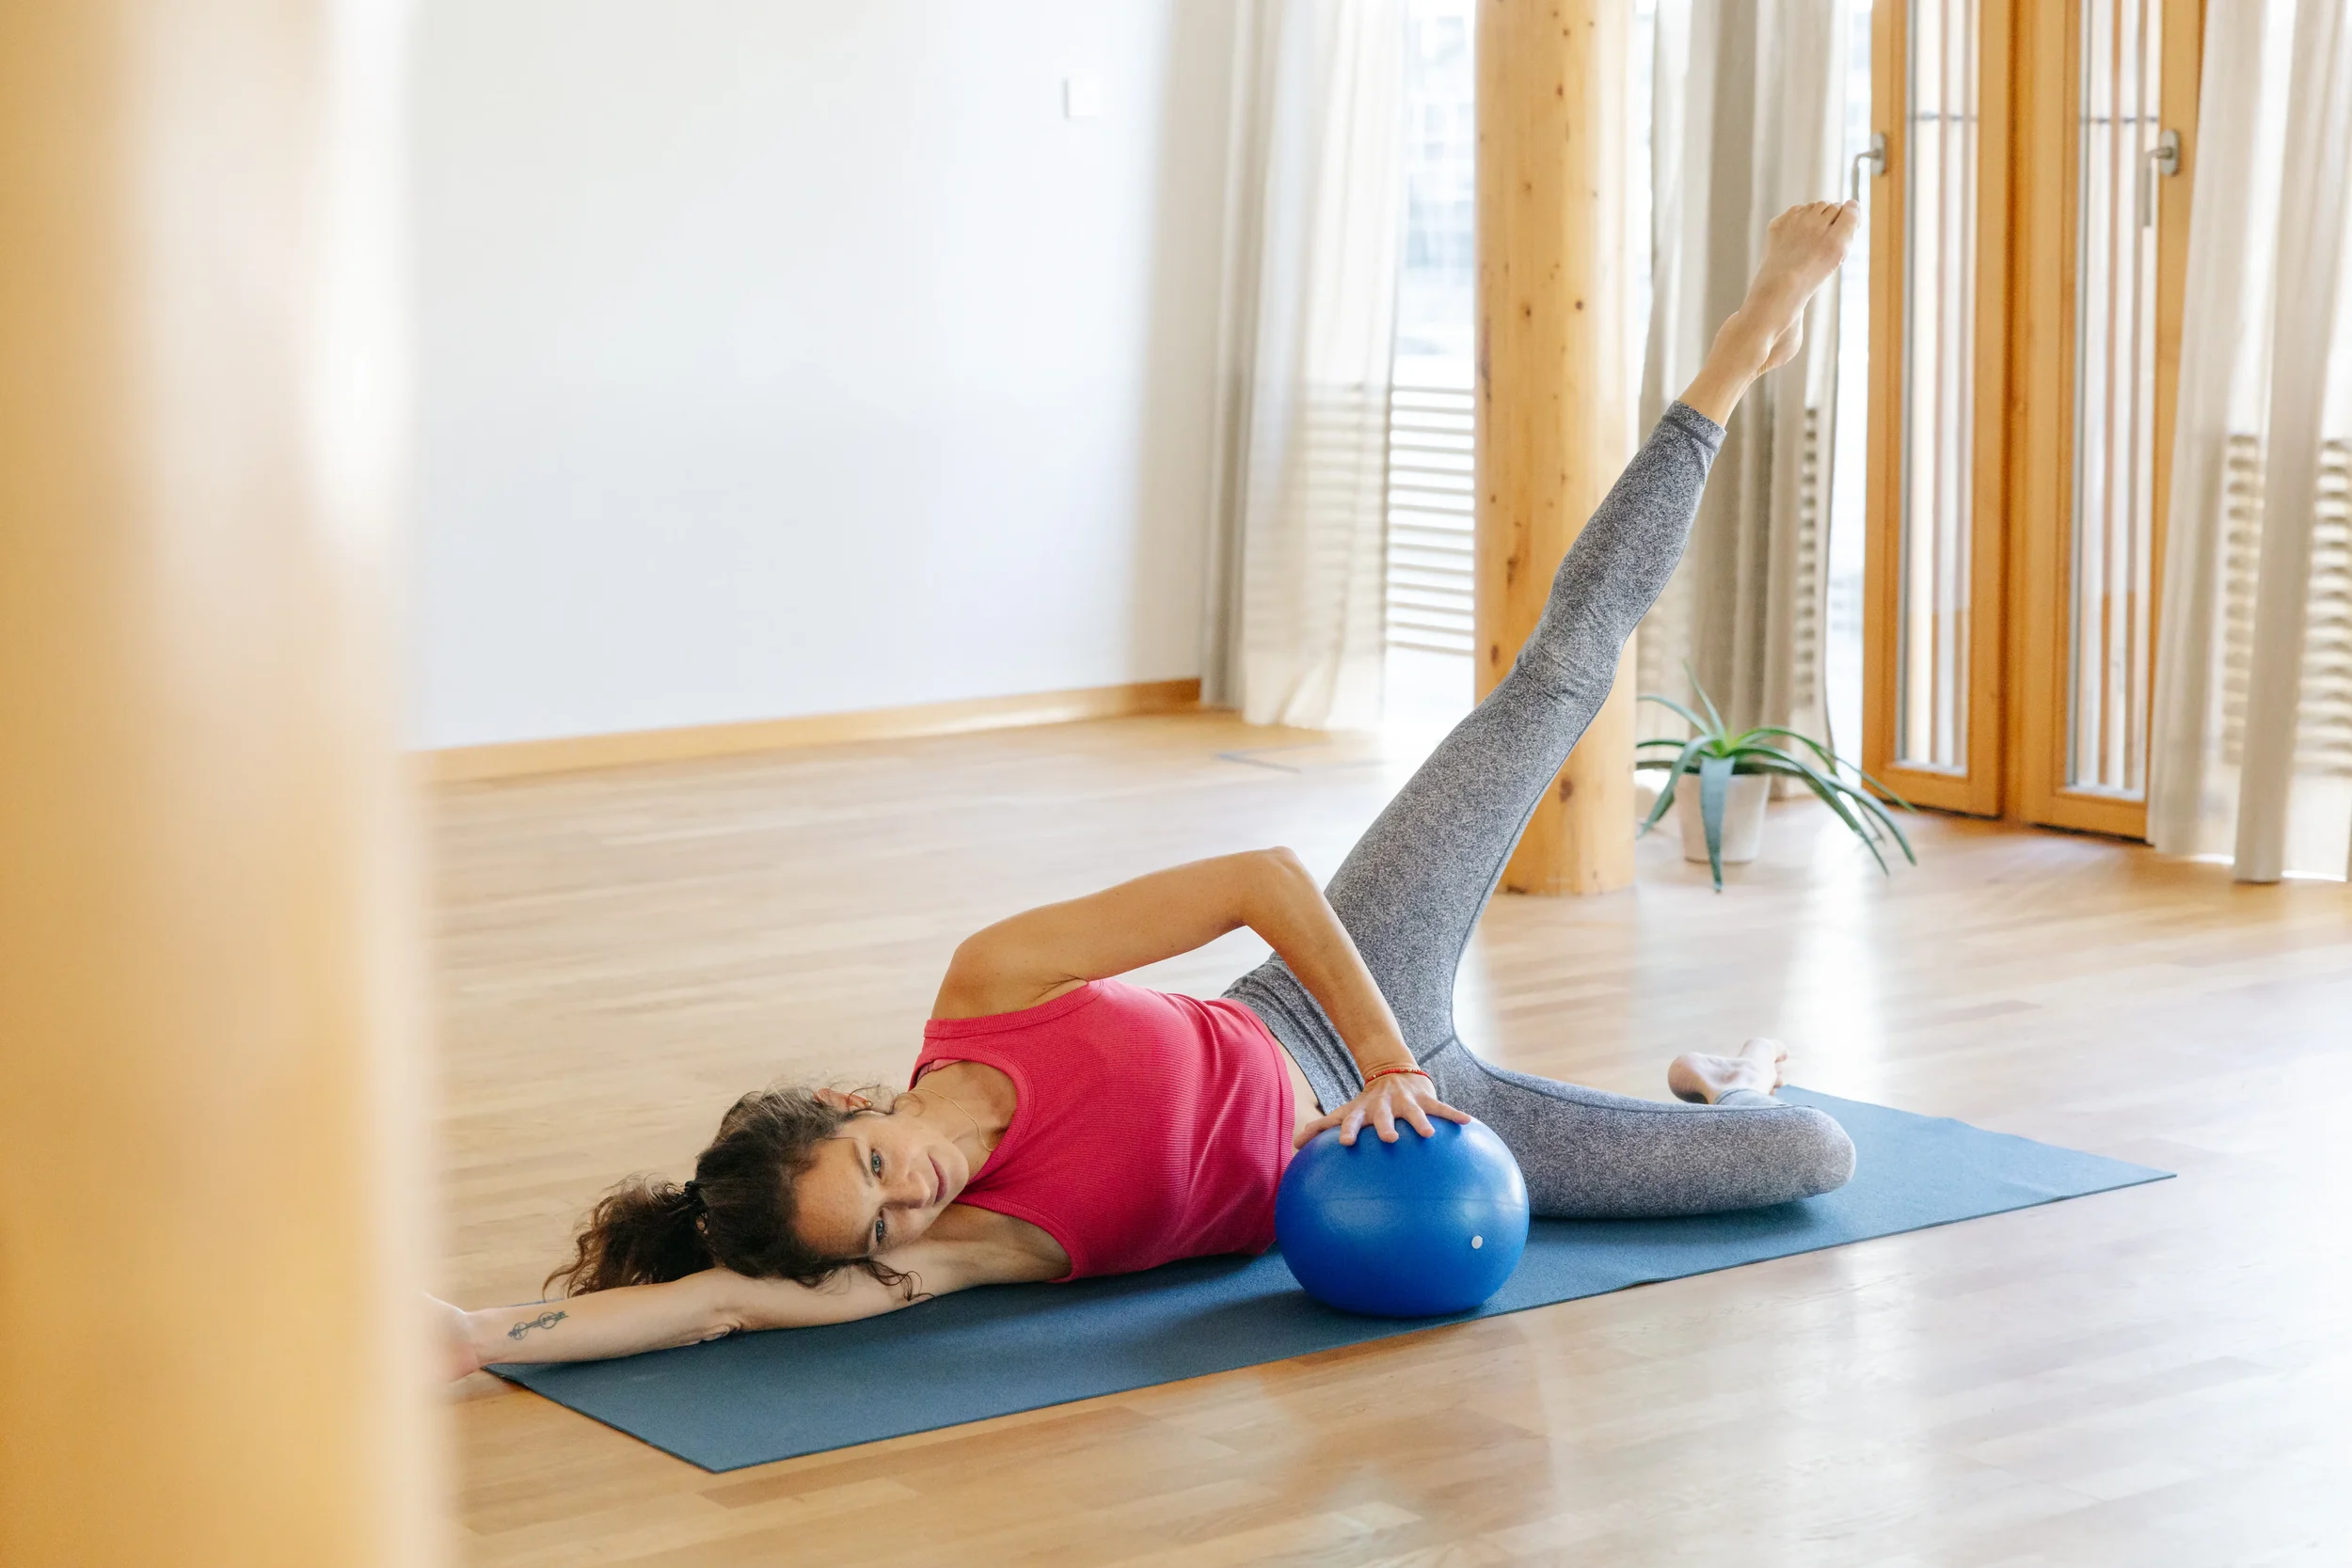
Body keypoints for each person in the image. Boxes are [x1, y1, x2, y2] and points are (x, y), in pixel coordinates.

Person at [434, 200, 1866, 1380]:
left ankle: (1735, 355)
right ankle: (1729, 1087)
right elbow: (715, 1306)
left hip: (1334, 1006)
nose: (905, 1196)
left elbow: (1263, 881)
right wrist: (477, 1336)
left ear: (849, 1096)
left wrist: (1380, 1054)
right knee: (1812, 1152)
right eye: (870, 1224)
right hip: (1408, 1152)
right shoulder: (955, 1249)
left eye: (872, 1158)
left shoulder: (993, 983)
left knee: (1551, 685)